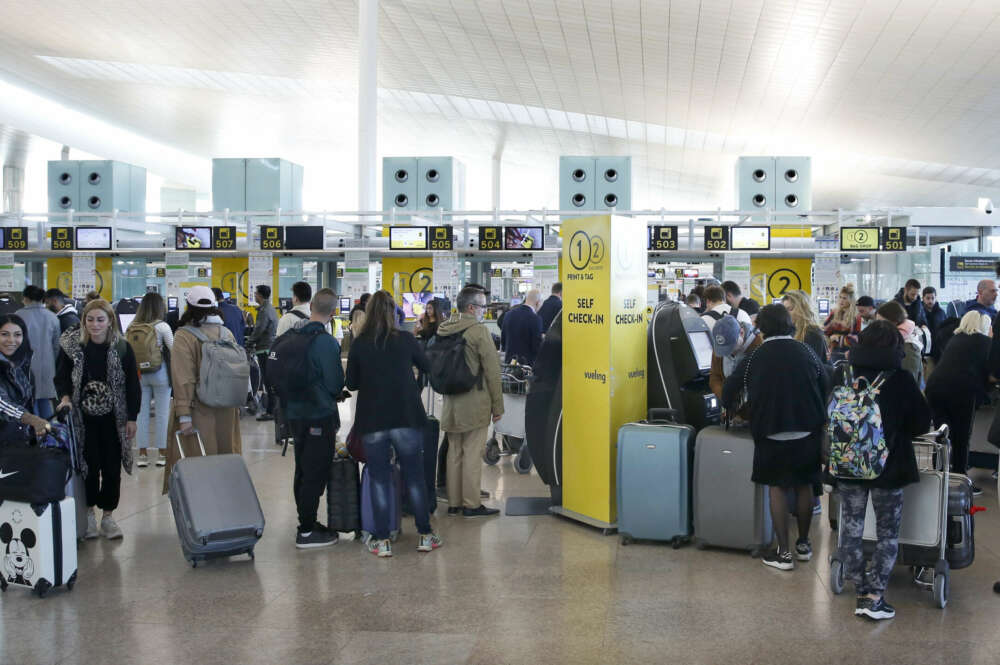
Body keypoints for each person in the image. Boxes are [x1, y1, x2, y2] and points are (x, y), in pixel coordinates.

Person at [834, 320, 930, 621]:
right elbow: (919, 423)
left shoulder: (842, 373)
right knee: (887, 533)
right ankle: (873, 596)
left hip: (848, 462)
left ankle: (858, 582)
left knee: (850, 527)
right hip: (889, 466)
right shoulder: (900, 379)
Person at [722, 304, 827, 570]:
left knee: (777, 488)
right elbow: (827, 382)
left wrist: (739, 410)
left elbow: (728, 392)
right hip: (807, 429)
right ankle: (803, 544)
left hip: (770, 431)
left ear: (762, 327)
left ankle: (783, 553)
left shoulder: (754, 357)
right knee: (804, 485)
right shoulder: (807, 352)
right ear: (789, 324)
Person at [346, 290, 443, 556]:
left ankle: (382, 540)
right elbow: (427, 365)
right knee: (414, 476)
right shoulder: (406, 340)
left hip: (373, 419)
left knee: (378, 477)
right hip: (406, 416)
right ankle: (425, 534)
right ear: (394, 312)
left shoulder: (360, 343)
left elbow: (351, 382)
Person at [55, 299, 140, 540]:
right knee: (87, 467)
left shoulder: (122, 348)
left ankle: (109, 516)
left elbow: (133, 385)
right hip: (83, 419)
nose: (95, 325)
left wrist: (132, 417)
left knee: (112, 468)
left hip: (115, 418)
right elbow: (61, 377)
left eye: (100, 320)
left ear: (110, 321)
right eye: (90, 320)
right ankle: (89, 515)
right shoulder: (72, 348)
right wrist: (65, 397)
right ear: (83, 321)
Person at [276, 288, 346, 549]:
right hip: (318, 413)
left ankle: (306, 522)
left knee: (303, 468)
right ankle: (306, 530)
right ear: (333, 311)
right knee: (315, 471)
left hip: (293, 413)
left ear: (312, 306)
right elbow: (335, 382)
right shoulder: (326, 342)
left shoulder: (293, 334)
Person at [161, 286, 242, 494]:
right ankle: (226, 509)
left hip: (198, 409)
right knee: (226, 458)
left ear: (188, 306)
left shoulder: (184, 336)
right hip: (227, 408)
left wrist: (184, 415)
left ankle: (202, 513)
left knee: (196, 463)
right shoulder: (227, 333)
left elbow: (183, 379)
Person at [438, 286, 503, 518]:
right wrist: (498, 406)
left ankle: (454, 502)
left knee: (454, 452)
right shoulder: (478, 332)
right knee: (472, 454)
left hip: (450, 403)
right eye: (483, 307)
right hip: (475, 402)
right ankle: (472, 504)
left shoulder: (444, 329)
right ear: (472, 307)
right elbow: (492, 371)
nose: (484, 312)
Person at [925, 311, 992, 493]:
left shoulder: (955, 339)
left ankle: (937, 477)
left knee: (941, 434)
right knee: (961, 436)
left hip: (935, 387)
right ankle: (960, 480)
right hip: (962, 390)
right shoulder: (985, 343)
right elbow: (992, 372)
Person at [130, 293, 174, 468]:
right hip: (160, 373)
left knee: (141, 414)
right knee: (163, 414)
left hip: (139, 374)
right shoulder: (162, 326)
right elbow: (174, 348)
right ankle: (162, 454)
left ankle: (142, 455)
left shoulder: (133, 326)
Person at [0, 314, 51, 439]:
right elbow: (1, 403)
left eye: (17, 335)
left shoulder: (22, 362)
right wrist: (30, 419)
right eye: (4, 334)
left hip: (17, 437)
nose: (11, 340)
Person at [16, 285, 61, 419]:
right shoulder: (53, 317)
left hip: (25, 366)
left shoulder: (18, 315)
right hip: (48, 366)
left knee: (29, 401)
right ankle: (49, 435)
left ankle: (35, 435)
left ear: (26, 298)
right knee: (45, 401)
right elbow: (57, 346)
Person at [708, 315, 762, 418]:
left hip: (754, 414)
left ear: (741, 333)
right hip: (730, 413)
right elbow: (714, 377)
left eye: (731, 346)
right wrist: (725, 399)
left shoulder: (758, 345)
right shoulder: (720, 347)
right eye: (723, 349)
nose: (728, 353)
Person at [247, 285, 278, 421]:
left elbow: (259, 329)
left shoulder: (264, 310)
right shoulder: (270, 308)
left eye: (255, 293)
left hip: (265, 349)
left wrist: (248, 343)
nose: (254, 295)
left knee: (268, 380)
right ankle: (272, 409)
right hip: (269, 348)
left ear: (259, 295)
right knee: (269, 380)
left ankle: (271, 411)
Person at [876, 301, 923, 387]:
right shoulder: (892, 339)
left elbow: (909, 382)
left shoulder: (909, 346)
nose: (879, 327)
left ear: (894, 321)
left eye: (882, 322)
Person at [780, 290, 828, 363]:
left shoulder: (812, 333)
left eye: (790, 309)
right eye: (784, 310)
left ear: (802, 309)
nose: (786, 314)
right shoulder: (788, 331)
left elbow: (813, 365)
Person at [500, 289, 544, 365]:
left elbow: (503, 342)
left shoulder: (508, 315)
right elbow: (536, 347)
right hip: (526, 366)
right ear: (538, 302)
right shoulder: (535, 319)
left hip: (509, 364)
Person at [823, 284, 862, 361]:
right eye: (840, 297)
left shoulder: (856, 316)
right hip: (833, 350)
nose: (841, 300)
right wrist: (830, 336)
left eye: (844, 298)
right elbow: (825, 330)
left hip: (849, 352)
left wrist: (839, 338)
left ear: (851, 300)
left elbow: (857, 338)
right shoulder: (834, 312)